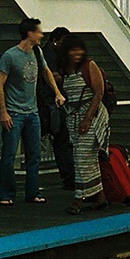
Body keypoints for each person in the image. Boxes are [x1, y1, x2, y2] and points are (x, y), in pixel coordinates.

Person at [0, 18, 64, 206]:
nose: (41, 35)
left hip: (32, 112)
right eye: (38, 31)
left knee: (34, 155)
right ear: (29, 34)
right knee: (9, 154)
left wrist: (57, 92)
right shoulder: (10, 56)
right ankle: (5, 193)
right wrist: (4, 112)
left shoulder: (37, 52)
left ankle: (32, 192)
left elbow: (46, 72)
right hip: (14, 112)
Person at [55, 35, 110, 215]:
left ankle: (78, 199)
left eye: (79, 49)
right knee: (88, 159)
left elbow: (98, 92)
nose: (77, 53)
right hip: (74, 118)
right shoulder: (65, 70)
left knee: (81, 158)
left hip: (91, 118)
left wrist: (87, 118)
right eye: (73, 49)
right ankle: (100, 197)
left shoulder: (89, 66)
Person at [38, 27, 76, 191]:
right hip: (51, 103)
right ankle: (69, 177)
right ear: (55, 40)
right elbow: (52, 76)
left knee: (62, 140)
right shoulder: (48, 55)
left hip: (50, 102)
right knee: (62, 140)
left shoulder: (48, 53)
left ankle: (68, 176)